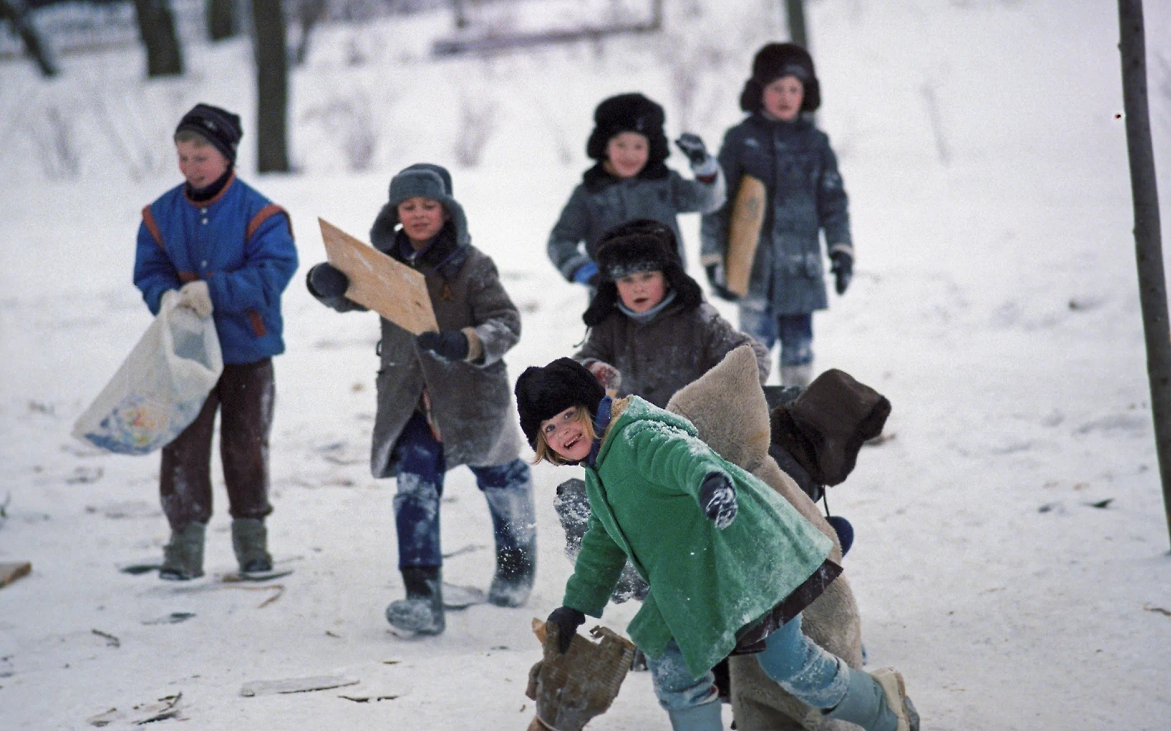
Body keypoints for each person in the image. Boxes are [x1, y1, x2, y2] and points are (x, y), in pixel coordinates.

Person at [515, 359, 918, 731]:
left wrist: (709, 482)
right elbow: (601, 543)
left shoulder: (638, 435)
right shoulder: (599, 472)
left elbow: (684, 457)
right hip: (693, 576)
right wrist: (576, 606)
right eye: (549, 428)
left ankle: (884, 708)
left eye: (569, 416)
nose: (563, 431)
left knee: (786, 662)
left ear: (591, 408)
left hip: (745, 562)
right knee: (673, 664)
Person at [306, 163, 536, 636]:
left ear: (447, 211)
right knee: (414, 486)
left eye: (428, 206)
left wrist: (466, 342)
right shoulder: (383, 264)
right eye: (407, 207)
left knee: (502, 479)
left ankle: (516, 566)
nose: (418, 215)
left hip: (472, 398)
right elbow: (349, 292)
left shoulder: (474, 266)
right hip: (409, 400)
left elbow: (506, 323)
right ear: (395, 213)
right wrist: (324, 284)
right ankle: (421, 597)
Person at [134, 103, 299, 580]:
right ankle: (184, 544)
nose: (190, 167)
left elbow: (273, 272)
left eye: (200, 156)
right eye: (182, 157)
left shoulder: (261, 213)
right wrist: (166, 296)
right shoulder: (161, 214)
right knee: (183, 444)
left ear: (227, 156)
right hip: (185, 353)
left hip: (248, 351)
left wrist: (217, 291)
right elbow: (149, 270)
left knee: (246, 445)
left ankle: (252, 543)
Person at [701, 43, 854, 388]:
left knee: (800, 347)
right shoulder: (741, 140)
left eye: (794, 89)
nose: (785, 97)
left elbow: (834, 203)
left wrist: (841, 250)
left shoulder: (816, 143)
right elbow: (717, 203)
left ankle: (795, 411)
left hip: (801, 268)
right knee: (754, 350)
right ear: (759, 92)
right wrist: (714, 257)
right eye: (776, 88)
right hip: (754, 269)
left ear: (806, 93)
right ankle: (754, 418)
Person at [574, 218, 769, 409]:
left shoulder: (698, 318)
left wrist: (730, 389)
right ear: (614, 287)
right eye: (627, 280)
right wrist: (591, 370)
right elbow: (576, 368)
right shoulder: (609, 325)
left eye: (647, 276)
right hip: (632, 432)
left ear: (667, 278)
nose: (637, 288)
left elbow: (751, 355)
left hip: (692, 431)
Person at [548, 93, 725, 289]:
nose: (629, 155)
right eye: (621, 145)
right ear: (605, 147)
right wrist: (586, 271)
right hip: (612, 297)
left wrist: (704, 167)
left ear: (652, 148)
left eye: (638, 146)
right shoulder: (590, 193)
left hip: (670, 290)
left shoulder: (664, 183)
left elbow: (709, 200)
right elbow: (560, 240)